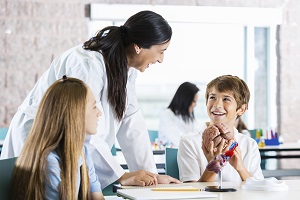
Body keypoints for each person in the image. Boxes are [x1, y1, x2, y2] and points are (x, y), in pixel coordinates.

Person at [1, 10, 180, 188]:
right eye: (161, 51)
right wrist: (121, 175)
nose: (161, 60)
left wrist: (152, 177)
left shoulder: (126, 70)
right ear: (138, 46)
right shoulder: (87, 63)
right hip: (39, 143)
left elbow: (132, 124)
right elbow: (80, 124)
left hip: (69, 151)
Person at [11, 76, 104, 199]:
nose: (99, 112)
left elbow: (97, 196)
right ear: (75, 114)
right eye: (93, 107)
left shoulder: (82, 151)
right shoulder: (49, 163)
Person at [177, 75, 263, 183]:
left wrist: (240, 167)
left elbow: (259, 189)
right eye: (212, 97)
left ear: (241, 109)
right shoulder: (189, 142)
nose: (217, 105)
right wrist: (214, 166)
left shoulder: (250, 145)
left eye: (226, 99)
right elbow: (192, 192)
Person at [158, 82, 200, 147]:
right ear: (185, 99)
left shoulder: (188, 116)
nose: (195, 105)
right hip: (169, 154)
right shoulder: (166, 114)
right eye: (193, 101)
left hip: (186, 151)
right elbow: (178, 138)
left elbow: (195, 134)